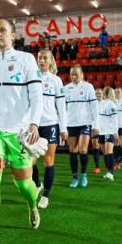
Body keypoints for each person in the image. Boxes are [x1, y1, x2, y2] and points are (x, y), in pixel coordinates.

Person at [0, 18, 43, 244]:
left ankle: (32, 203)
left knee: (24, 183)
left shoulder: (26, 60)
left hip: (19, 132)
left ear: (13, 35)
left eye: (2, 31)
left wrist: (34, 123)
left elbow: (36, 94)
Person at [32, 49, 67, 209]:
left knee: (48, 160)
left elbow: (61, 106)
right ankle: (37, 183)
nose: (42, 61)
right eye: (39, 58)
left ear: (51, 60)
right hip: (33, 125)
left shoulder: (56, 81)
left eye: (45, 58)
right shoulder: (31, 77)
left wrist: (63, 128)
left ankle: (45, 195)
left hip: (51, 124)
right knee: (30, 161)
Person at [65, 65, 97, 188]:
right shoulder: (66, 88)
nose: (73, 76)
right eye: (71, 74)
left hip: (85, 123)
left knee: (83, 150)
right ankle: (74, 177)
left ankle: (83, 174)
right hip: (71, 123)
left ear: (82, 74)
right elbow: (62, 108)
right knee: (73, 151)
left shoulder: (88, 87)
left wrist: (96, 125)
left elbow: (94, 108)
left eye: (75, 74)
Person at [98, 87, 118, 181]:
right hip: (101, 131)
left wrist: (115, 132)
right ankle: (108, 172)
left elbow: (114, 119)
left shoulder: (111, 104)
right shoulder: (100, 103)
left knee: (109, 151)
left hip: (109, 131)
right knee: (105, 153)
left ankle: (111, 173)